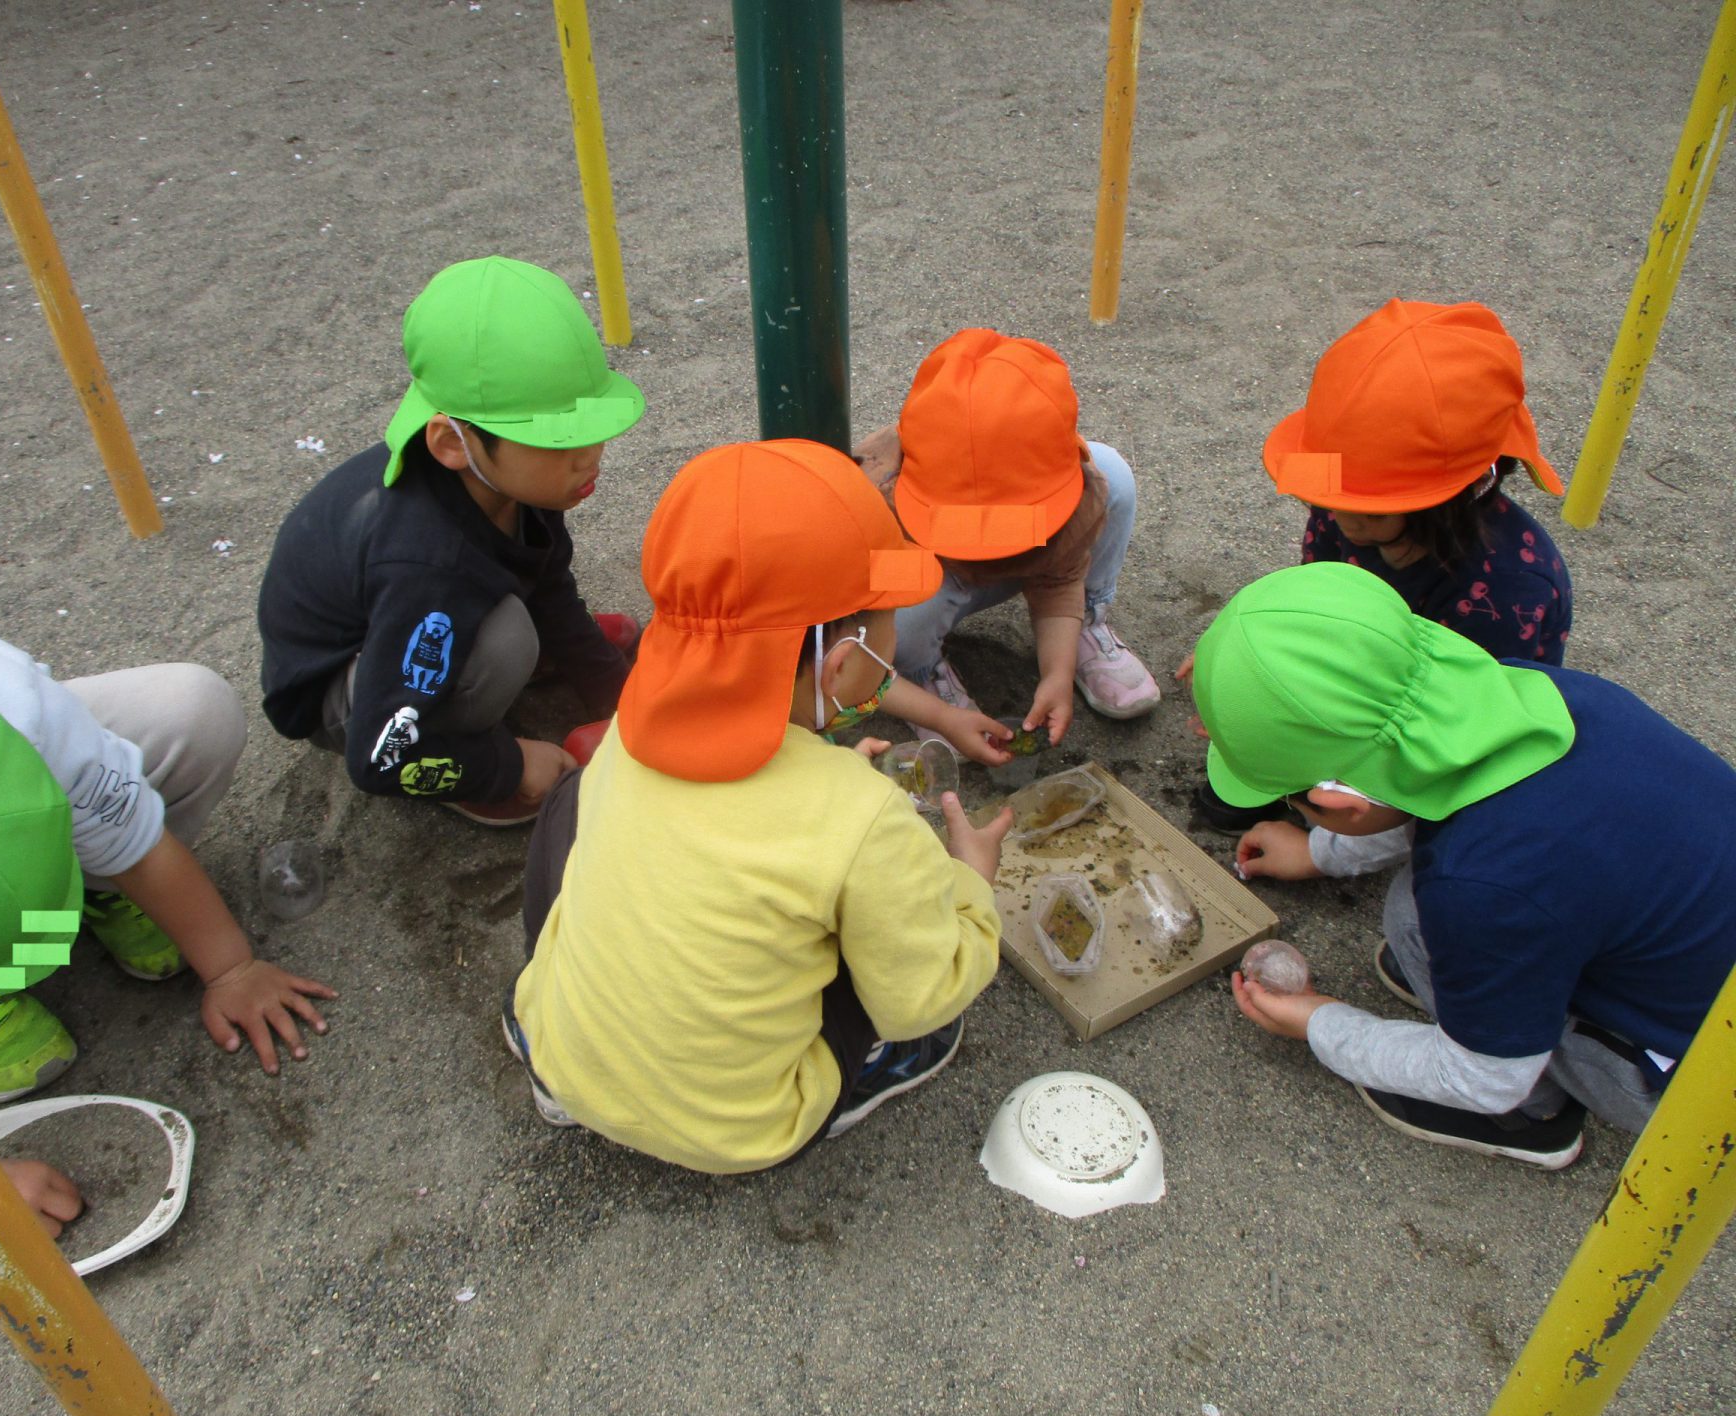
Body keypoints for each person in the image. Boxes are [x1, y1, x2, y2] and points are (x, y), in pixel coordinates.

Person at [504, 440, 1012, 1174]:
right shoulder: (862, 816)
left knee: (575, 805)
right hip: (739, 1130)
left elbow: (726, 827)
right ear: (841, 665)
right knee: (879, 947)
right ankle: (874, 1070)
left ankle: (557, 1054)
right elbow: (920, 996)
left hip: (564, 1055)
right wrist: (972, 887)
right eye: (890, 623)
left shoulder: (630, 728)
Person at [1193, 564, 1736, 1170]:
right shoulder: (1530, 691)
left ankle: (1534, 1115)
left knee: (1425, 921)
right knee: (1430, 910)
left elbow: (1485, 1076)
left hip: (1698, 1074)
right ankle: (1493, 996)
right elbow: (1415, 785)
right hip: (1685, 953)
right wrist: (1319, 852)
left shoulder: (1483, 890)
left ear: (1338, 805)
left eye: (1298, 806)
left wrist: (1322, 1025)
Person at [0, 634, 334, 1233]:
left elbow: (128, 828)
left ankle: (98, 886)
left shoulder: (14, 714)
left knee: (195, 712)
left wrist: (231, 968)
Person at [257, 256, 646, 827]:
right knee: (505, 640)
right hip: (346, 694)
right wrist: (506, 766)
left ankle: (532, 661)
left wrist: (613, 690)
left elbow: (546, 580)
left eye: (591, 430)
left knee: (525, 620)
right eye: (557, 440)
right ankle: (457, 752)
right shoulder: (426, 565)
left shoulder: (514, 483)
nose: (589, 457)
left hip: (402, 619)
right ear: (451, 442)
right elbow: (378, 758)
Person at [1190, 299, 1574, 841]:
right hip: (1367, 672)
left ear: (1454, 498)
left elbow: (1463, 735)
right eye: (1332, 498)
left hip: (1437, 715)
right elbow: (1318, 612)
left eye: (1370, 510)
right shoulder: (1344, 509)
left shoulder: (1510, 590)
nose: (1341, 519)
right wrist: (1248, 666)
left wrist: (1327, 851)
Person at [853, 328, 1160, 767]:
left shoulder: (1074, 494)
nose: (992, 549)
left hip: (983, 561)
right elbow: (845, 652)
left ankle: (1087, 624)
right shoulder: (874, 508)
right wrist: (938, 716)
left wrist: (1057, 672)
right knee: (906, 609)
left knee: (1114, 475)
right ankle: (919, 672)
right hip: (928, 573)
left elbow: (1058, 576)